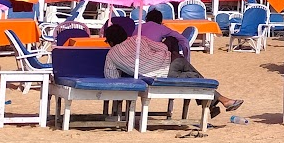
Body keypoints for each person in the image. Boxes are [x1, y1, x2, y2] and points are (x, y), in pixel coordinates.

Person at [103, 20, 244, 112]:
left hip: (163, 74)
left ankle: (216, 103)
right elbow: (164, 48)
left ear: (110, 40)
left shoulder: (111, 55)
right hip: (173, 59)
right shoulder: (138, 39)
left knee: (195, 78)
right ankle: (218, 102)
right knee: (195, 76)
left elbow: (112, 78)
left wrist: (126, 70)